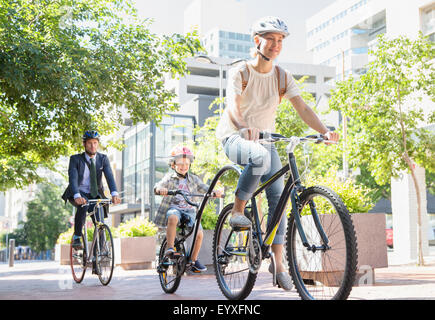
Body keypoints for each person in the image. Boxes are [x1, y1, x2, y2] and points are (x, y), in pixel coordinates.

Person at [215, 16, 339, 290]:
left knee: (279, 202)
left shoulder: (282, 76)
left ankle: (279, 265)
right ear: (257, 40)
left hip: (267, 140)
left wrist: (325, 130)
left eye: (280, 40)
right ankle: (237, 210)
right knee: (257, 158)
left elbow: (303, 108)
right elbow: (234, 107)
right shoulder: (241, 72)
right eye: (270, 39)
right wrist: (246, 127)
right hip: (236, 137)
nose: (276, 45)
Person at [154, 145, 222, 273]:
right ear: (173, 165)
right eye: (180, 163)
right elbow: (159, 185)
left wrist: (215, 192)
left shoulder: (194, 179)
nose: (184, 166)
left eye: (187, 163)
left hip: (190, 210)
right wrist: (159, 189)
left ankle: (193, 260)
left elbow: (206, 188)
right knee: (173, 217)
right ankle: (170, 248)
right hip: (175, 208)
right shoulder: (169, 178)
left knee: (199, 234)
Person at [62, 130, 121, 254]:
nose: (93, 146)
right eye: (89, 143)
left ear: (98, 144)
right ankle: (77, 236)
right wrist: (77, 195)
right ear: (84, 144)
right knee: (84, 205)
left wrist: (114, 193)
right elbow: (72, 178)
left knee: (100, 221)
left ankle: (97, 256)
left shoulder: (103, 159)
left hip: (95, 193)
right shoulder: (75, 159)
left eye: (95, 143)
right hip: (78, 192)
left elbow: (109, 176)